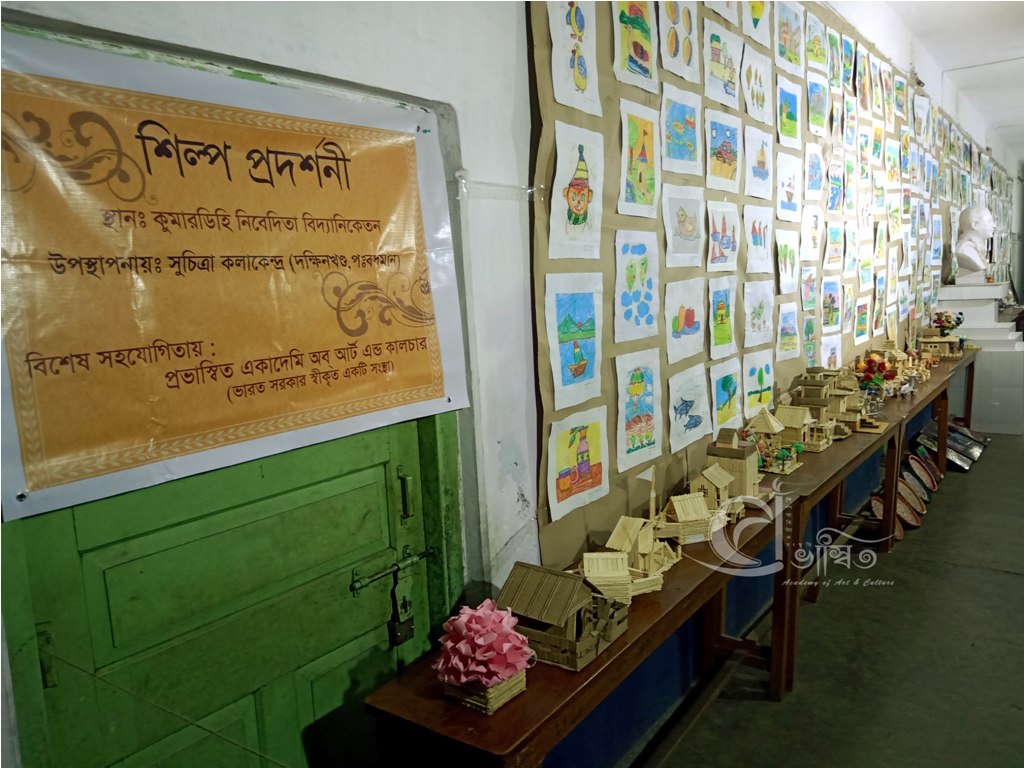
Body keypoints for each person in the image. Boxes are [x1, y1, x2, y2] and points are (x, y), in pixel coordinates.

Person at [953, 205, 995, 281]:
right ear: (974, 225)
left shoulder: (973, 247)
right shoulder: (965, 249)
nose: (994, 225)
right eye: (989, 221)